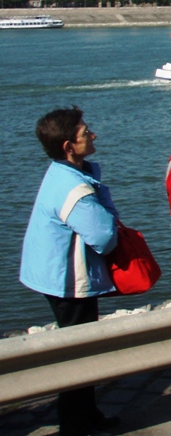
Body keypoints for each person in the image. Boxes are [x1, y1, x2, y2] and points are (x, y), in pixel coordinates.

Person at [20, 107, 120, 436]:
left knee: (80, 349)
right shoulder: (73, 187)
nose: (93, 135)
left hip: (50, 273)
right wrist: (106, 204)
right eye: (85, 132)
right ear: (68, 146)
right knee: (78, 354)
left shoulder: (63, 173)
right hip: (67, 280)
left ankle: (86, 415)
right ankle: (75, 424)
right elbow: (104, 237)